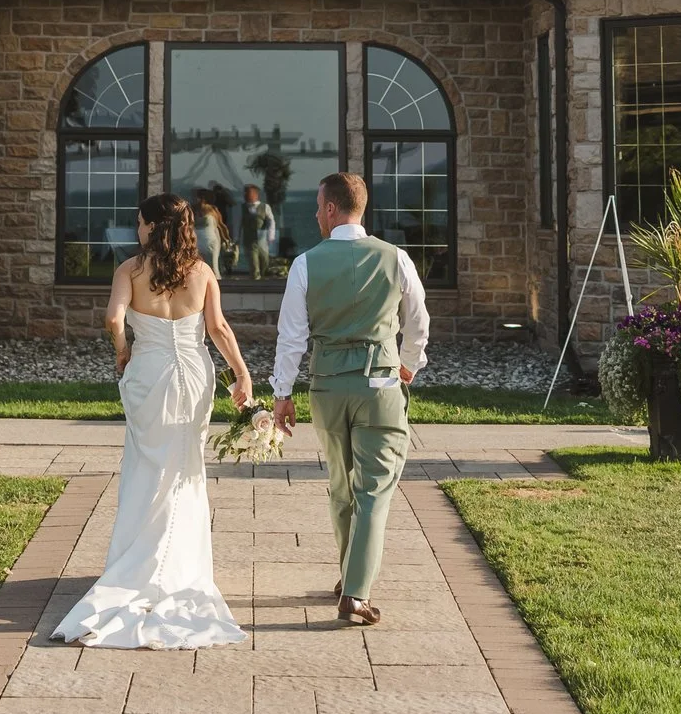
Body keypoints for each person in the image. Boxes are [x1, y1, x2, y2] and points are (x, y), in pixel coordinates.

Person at [54, 194, 253, 649]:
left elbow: (112, 318)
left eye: (140, 222)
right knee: (186, 466)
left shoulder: (130, 270)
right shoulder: (202, 272)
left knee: (147, 464)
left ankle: (136, 562)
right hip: (193, 374)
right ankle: (181, 566)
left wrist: (123, 350)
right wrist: (241, 374)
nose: (137, 230)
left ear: (152, 226)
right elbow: (219, 329)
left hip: (148, 373)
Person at [271, 172, 429, 627]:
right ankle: (356, 592)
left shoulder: (305, 264)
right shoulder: (396, 258)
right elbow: (418, 320)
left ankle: (347, 576)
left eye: (320, 206)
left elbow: (291, 337)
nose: (317, 214)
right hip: (379, 386)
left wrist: (283, 393)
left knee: (342, 488)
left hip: (327, 388)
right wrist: (408, 367)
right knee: (374, 491)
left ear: (333, 209)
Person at [237, 183, 278, 280]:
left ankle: (262, 278)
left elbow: (271, 221)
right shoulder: (242, 207)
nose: (246, 195)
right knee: (254, 263)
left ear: (256, 194)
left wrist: (271, 236)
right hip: (249, 240)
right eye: (245, 193)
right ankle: (255, 280)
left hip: (262, 239)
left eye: (248, 193)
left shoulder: (265, 207)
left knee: (265, 260)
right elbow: (237, 223)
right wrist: (236, 238)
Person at [191, 192, 226, 276]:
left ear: (204, 199)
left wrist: (226, 238)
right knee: (198, 267)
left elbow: (220, 225)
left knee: (213, 266)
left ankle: (217, 285)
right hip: (197, 242)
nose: (196, 199)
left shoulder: (212, 209)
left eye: (198, 197)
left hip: (210, 242)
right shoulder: (193, 209)